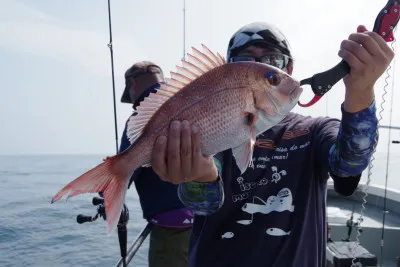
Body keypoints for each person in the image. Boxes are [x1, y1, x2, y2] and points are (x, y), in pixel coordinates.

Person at [150, 22, 394, 266]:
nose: (262, 67)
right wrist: (200, 178)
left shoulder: (314, 130)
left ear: (290, 68)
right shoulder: (213, 132)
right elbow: (202, 205)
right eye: (243, 60)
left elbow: (348, 169)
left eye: (273, 61)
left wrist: (360, 91)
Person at [119, 61, 193, 267]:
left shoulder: (140, 119)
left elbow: (125, 172)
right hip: (206, 223)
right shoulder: (188, 106)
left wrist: (109, 197)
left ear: (133, 83)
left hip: (171, 229)